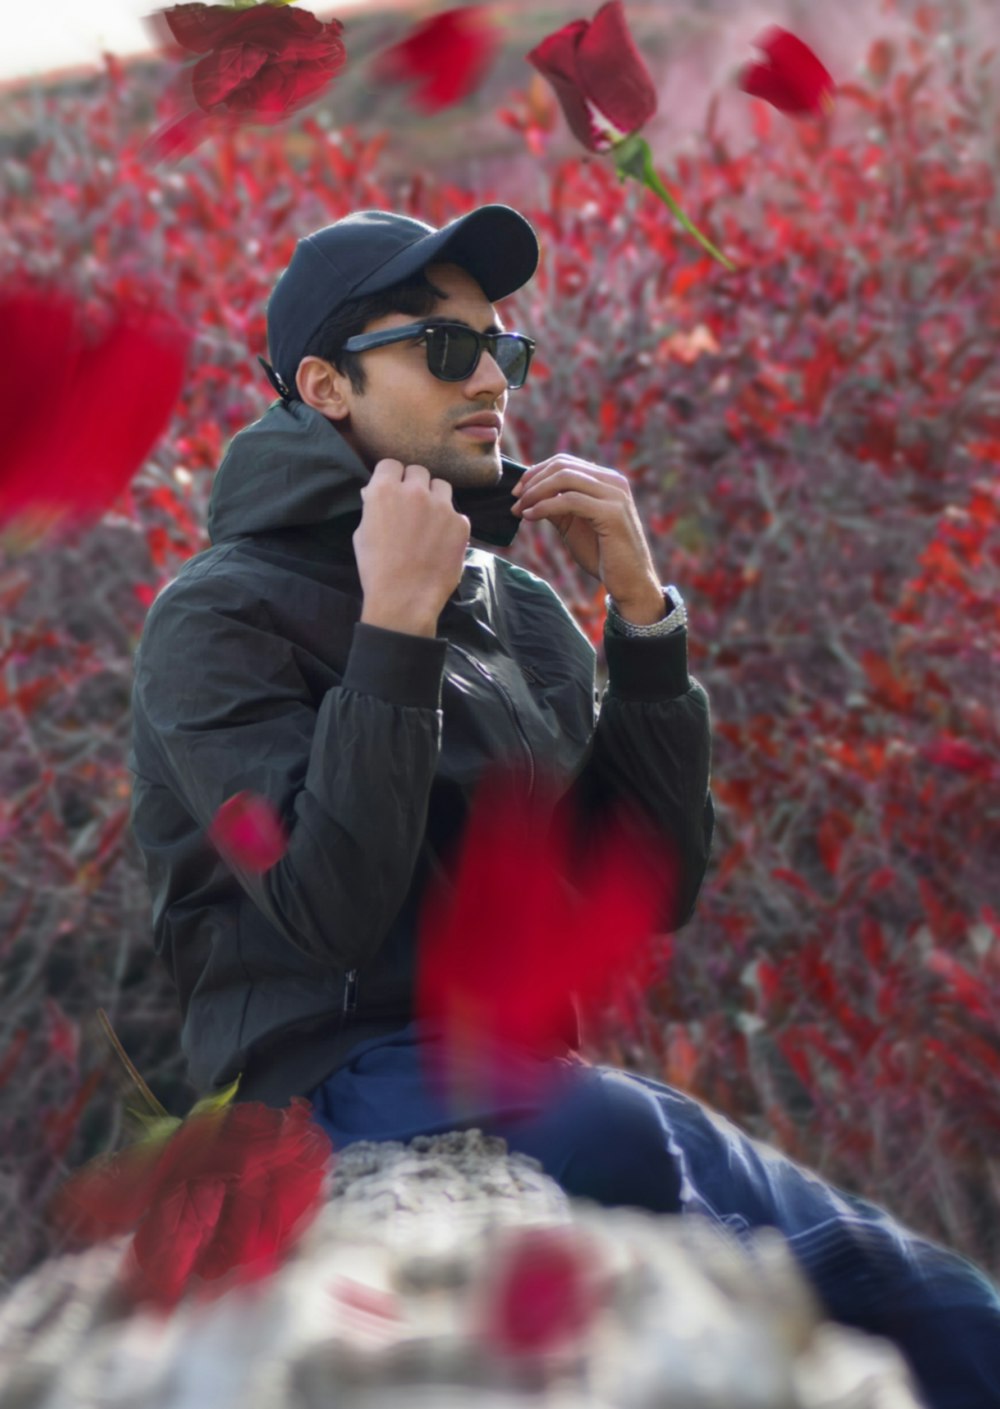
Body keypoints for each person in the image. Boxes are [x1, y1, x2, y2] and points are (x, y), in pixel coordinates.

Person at [128, 205, 1000, 1408]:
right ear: (325, 383)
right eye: (444, 348)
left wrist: (643, 620)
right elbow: (323, 908)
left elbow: (645, 882)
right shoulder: (216, 618)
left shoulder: (512, 598)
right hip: (342, 1081)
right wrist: (394, 627)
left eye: (503, 347)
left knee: (947, 1304)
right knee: (664, 1181)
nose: (491, 374)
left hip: (531, 1067)